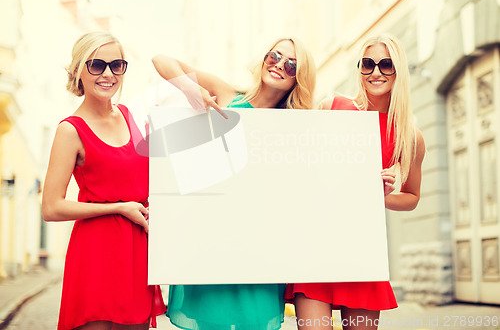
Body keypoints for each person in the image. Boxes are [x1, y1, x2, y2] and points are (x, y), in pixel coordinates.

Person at [152, 37, 317, 330]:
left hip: (260, 249)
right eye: (274, 55)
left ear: (299, 79)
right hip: (211, 241)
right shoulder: (228, 96)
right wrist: (193, 90)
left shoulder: (295, 126)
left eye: (291, 64)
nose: (279, 64)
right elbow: (161, 60)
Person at [285, 34, 426, 330]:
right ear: (360, 69)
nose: (376, 72)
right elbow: (298, 162)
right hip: (316, 247)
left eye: (386, 64)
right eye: (368, 64)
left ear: (398, 70)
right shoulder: (332, 107)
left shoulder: (409, 135)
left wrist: (380, 196)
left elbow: (412, 197)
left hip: (363, 251)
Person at [42, 31, 165, 330]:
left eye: (117, 65)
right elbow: (51, 208)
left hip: (137, 252)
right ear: (78, 72)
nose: (108, 74)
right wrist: (118, 208)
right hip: (96, 253)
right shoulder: (70, 130)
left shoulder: (130, 116)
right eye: (96, 65)